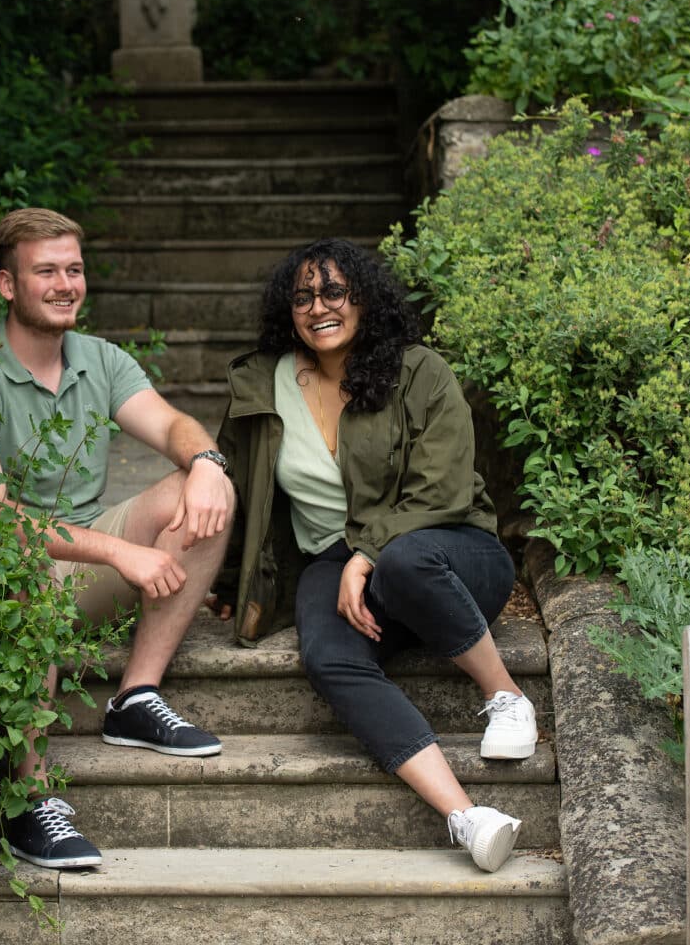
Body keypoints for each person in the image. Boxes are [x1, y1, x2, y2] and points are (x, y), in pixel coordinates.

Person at [211, 238, 537, 873]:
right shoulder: (263, 384)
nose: (318, 307)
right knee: (329, 657)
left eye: (334, 292)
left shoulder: (418, 370)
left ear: (363, 300)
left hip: (453, 551)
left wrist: (366, 553)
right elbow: (247, 491)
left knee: (404, 561)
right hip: (330, 560)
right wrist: (232, 578)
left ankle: (506, 696)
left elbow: (441, 488)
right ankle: (468, 817)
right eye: (303, 296)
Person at [0, 208, 236, 870]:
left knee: (206, 487)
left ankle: (135, 697)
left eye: (74, 269)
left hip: (84, 570)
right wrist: (118, 550)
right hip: (4, 582)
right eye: (46, 271)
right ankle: (27, 797)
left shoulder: (99, 359)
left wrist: (208, 465)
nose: (66, 283)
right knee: (28, 565)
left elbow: (173, 425)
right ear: (7, 286)